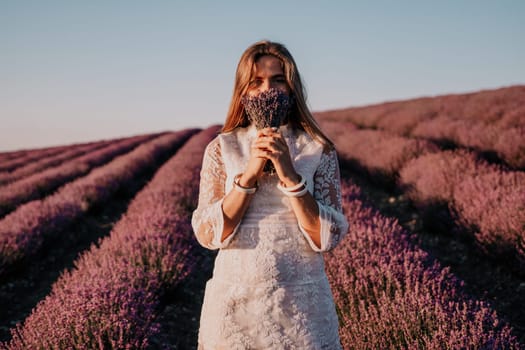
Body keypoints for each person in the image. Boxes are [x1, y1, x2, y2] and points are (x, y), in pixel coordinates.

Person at [191, 40, 349, 349]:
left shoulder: (317, 149)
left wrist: (290, 174)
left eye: (278, 80)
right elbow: (208, 234)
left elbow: (328, 237)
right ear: (243, 91)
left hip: (301, 306)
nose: (268, 90)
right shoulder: (221, 149)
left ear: (292, 88)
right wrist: (248, 174)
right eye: (257, 82)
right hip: (236, 305)